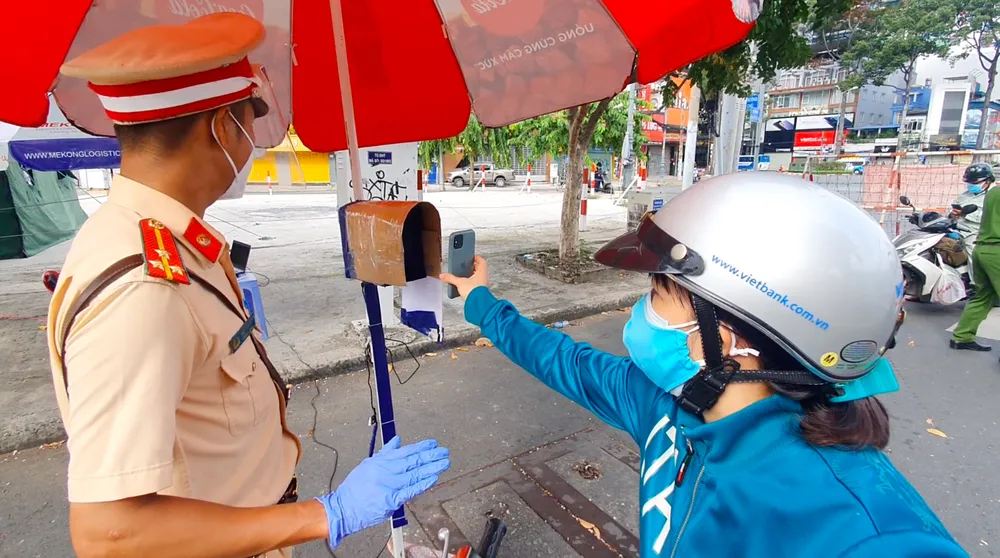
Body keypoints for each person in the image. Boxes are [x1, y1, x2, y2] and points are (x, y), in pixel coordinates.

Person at [45, 13, 448, 558]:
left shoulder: (177, 238)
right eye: (249, 119)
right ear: (219, 125)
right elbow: (110, 533)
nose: (251, 140)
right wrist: (328, 515)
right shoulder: (144, 290)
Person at [441, 173, 967, 557]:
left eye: (658, 293)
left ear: (729, 337)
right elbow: (563, 360)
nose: (637, 312)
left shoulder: (864, 532)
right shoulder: (669, 406)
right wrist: (481, 301)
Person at [951, 163, 1000, 353]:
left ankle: (962, 336)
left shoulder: (993, 194)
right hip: (996, 251)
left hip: (981, 248)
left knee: (982, 297)